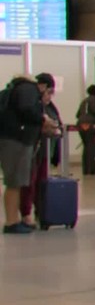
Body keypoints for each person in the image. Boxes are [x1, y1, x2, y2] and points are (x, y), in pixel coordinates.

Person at [0, 73, 56, 234]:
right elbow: (26, 109)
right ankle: (11, 222)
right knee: (14, 182)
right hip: (17, 141)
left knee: (15, 182)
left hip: (13, 140)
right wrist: (43, 119)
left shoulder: (15, 89)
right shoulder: (28, 89)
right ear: (43, 86)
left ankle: (14, 220)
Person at [20, 86, 63, 227]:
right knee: (30, 182)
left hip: (44, 150)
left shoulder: (50, 108)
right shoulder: (34, 107)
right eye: (48, 93)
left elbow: (58, 125)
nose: (49, 96)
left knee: (41, 183)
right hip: (33, 149)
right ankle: (26, 213)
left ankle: (43, 212)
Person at [76, 85, 95, 176]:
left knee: (86, 145)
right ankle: (93, 169)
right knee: (91, 145)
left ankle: (86, 168)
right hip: (90, 124)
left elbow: (78, 114)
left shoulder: (84, 101)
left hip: (80, 124)